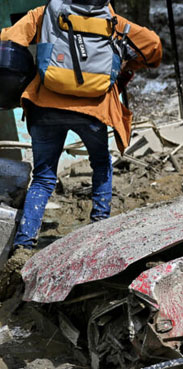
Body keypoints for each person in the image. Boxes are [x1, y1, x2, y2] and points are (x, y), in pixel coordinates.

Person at [0, 1, 162, 252]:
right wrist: (126, 64)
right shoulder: (113, 21)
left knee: (43, 178)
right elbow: (153, 46)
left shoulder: (44, 13)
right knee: (100, 164)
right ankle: (99, 229)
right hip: (94, 108)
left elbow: (9, 40)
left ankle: (24, 244)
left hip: (46, 106)